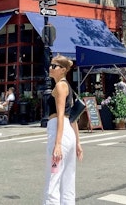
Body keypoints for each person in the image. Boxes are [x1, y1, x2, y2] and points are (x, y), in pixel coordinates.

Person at [43, 54, 83, 205]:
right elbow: (72, 117)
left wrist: (58, 143)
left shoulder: (60, 86)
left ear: (63, 70)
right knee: (68, 178)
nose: (50, 68)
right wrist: (77, 142)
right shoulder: (67, 86)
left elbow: (61, 115)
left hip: (59, 131)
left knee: (53, 178)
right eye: (51, 65)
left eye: (54, 66)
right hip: (68, 133)